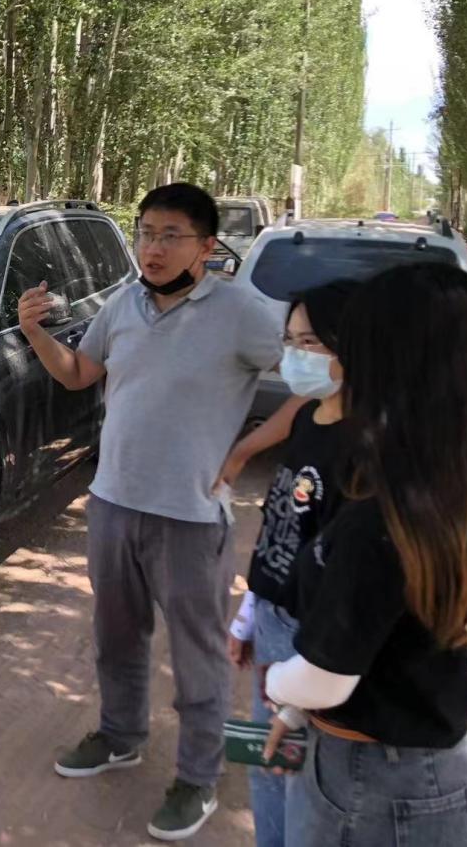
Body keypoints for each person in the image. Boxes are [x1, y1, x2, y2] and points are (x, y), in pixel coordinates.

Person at [18, 182, 284, 841]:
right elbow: (78, 372)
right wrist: (33, 332)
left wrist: (247, 448)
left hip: (190, 517)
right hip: (113, 503)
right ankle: (120, 735)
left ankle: (197, 778)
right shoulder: (124, 304)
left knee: (198, 655)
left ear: (207, 246)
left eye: (170, 236)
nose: (152, 248)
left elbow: (321, 376)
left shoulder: (242, 312)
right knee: (116, 636)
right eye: (145, 233)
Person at [263, 262, 467, 846]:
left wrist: (278, 685)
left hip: (377, 789)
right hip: (436, 766)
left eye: (353, 347)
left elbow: (326, 679)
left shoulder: (385, 517)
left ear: (391, 363)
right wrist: (296, 712)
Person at [216, 281, 356, 847]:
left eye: (311, 343)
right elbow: (283, 529)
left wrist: (297, 688)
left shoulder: (364, 451)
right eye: (290, 341)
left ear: (354, 346)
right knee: (271, 771)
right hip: (276, 625)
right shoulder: (308, 421)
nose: (296, 355)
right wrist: (251, 613)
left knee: (307, 782)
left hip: (317, 642)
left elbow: (352, 583)